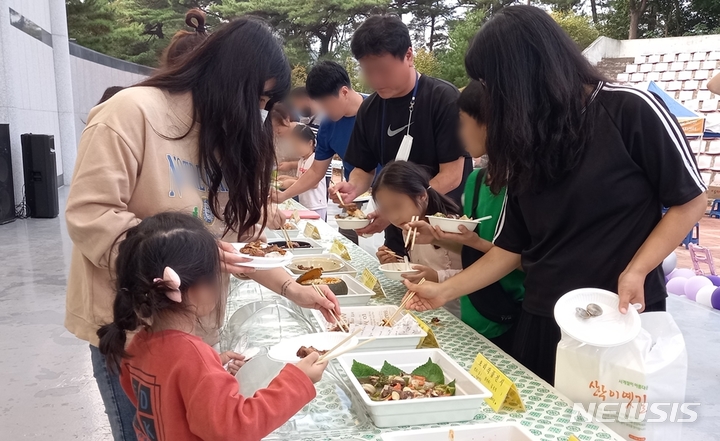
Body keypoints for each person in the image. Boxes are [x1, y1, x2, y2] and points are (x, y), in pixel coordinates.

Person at [65, 18, 339, 441]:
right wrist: (192, 256)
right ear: (228, 79)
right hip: (132, 329)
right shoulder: (131, 113)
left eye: (268, 101)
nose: (262, 110)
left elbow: (237, 239)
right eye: (260, 96)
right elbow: (91, 215)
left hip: (190, 325)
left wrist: (293, 288)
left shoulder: (224, 135)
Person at [402, 5, 707, 384]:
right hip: (544, 314)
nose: (490, 96)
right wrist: (443, 291)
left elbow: (691, 199)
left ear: (524, 73)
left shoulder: (630, 110)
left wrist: (638, 269)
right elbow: (512, 249)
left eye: (492, 83)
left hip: (618, 314)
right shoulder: (526, 139)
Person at [98, 212, 327, 441]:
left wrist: (214, 369)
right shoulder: (194, 357)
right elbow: (236, 428)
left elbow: (164, 397)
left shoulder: (138, 343)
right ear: (199, 289)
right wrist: (298, 380)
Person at [330, 14, 472, 256]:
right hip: (397, 231)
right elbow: (363, 169)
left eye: (382, 70)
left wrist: (394, 210)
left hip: (442, 231)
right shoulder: (370, 109)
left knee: (439, 288)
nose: (375, 80)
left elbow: (452, 175)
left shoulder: (442, 99)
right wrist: (351, 188)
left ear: (408, 55)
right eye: (367, 71)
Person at [405, 81, 525, 353]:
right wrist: (438, 237)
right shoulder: (476, 180)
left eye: (462, 122)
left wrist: (475, 244)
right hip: (473, 309)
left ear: (488, 123)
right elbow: (473, 248)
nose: (459, 133)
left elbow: (521, 261)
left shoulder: (521, 186)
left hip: (508, 315)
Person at [270, 61, 374, 244]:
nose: (323, 112)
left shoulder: (378, 110)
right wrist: (284, 195)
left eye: (326, 105)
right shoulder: (328, 125)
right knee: (350, 244)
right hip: (353, 194)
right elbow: (316, 171)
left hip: (391, 197)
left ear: (343, 92)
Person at [372, 161, 462, 318]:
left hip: (458, 315)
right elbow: (420, 275)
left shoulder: (450, 226)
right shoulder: (407, 227)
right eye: (386, 210)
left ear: (422, 196)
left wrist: (436, 277)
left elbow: (480, 272)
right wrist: (395, 266)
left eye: (398, 206)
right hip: (427, 310)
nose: (394, 216)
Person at [277, 124, 328, 220]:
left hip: (316, 204)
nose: (297, 149)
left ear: (310, 143)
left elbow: (314, 184)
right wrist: (286, 178)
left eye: (298, 145)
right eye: (294, 146)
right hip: (305, 203)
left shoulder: (314, 159)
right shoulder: (302, 160)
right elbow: (300, 178)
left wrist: (290, 183)